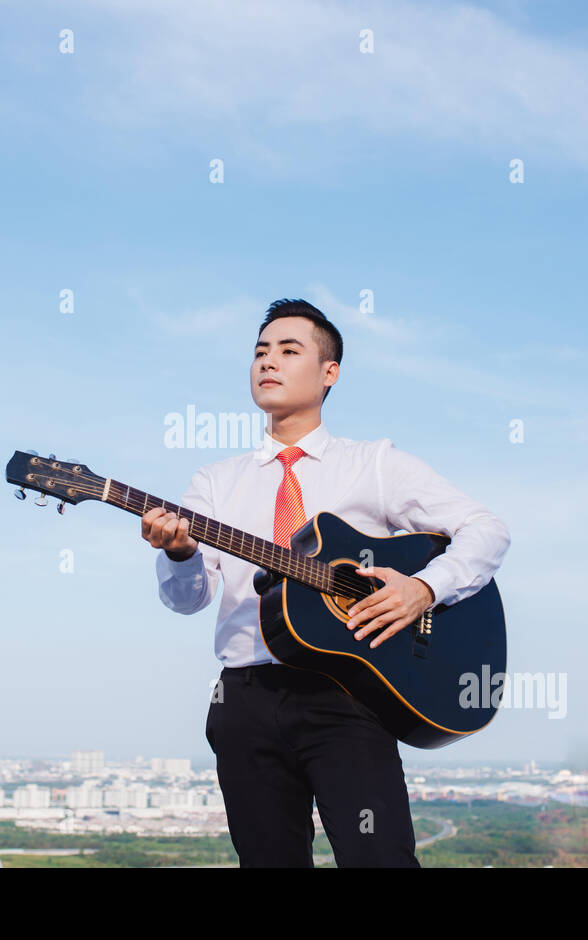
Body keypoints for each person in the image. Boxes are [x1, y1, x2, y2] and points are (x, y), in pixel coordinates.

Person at [142, 297, 510, 867]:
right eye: (260, 351)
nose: (269, 361)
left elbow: (485, 530)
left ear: (329, 372)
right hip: (246, 701)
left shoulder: (375, 464)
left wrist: (424, 589)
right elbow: (186, 600)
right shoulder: (214, 482)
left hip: (348, 696)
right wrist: (181, 553)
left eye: (290, 351)